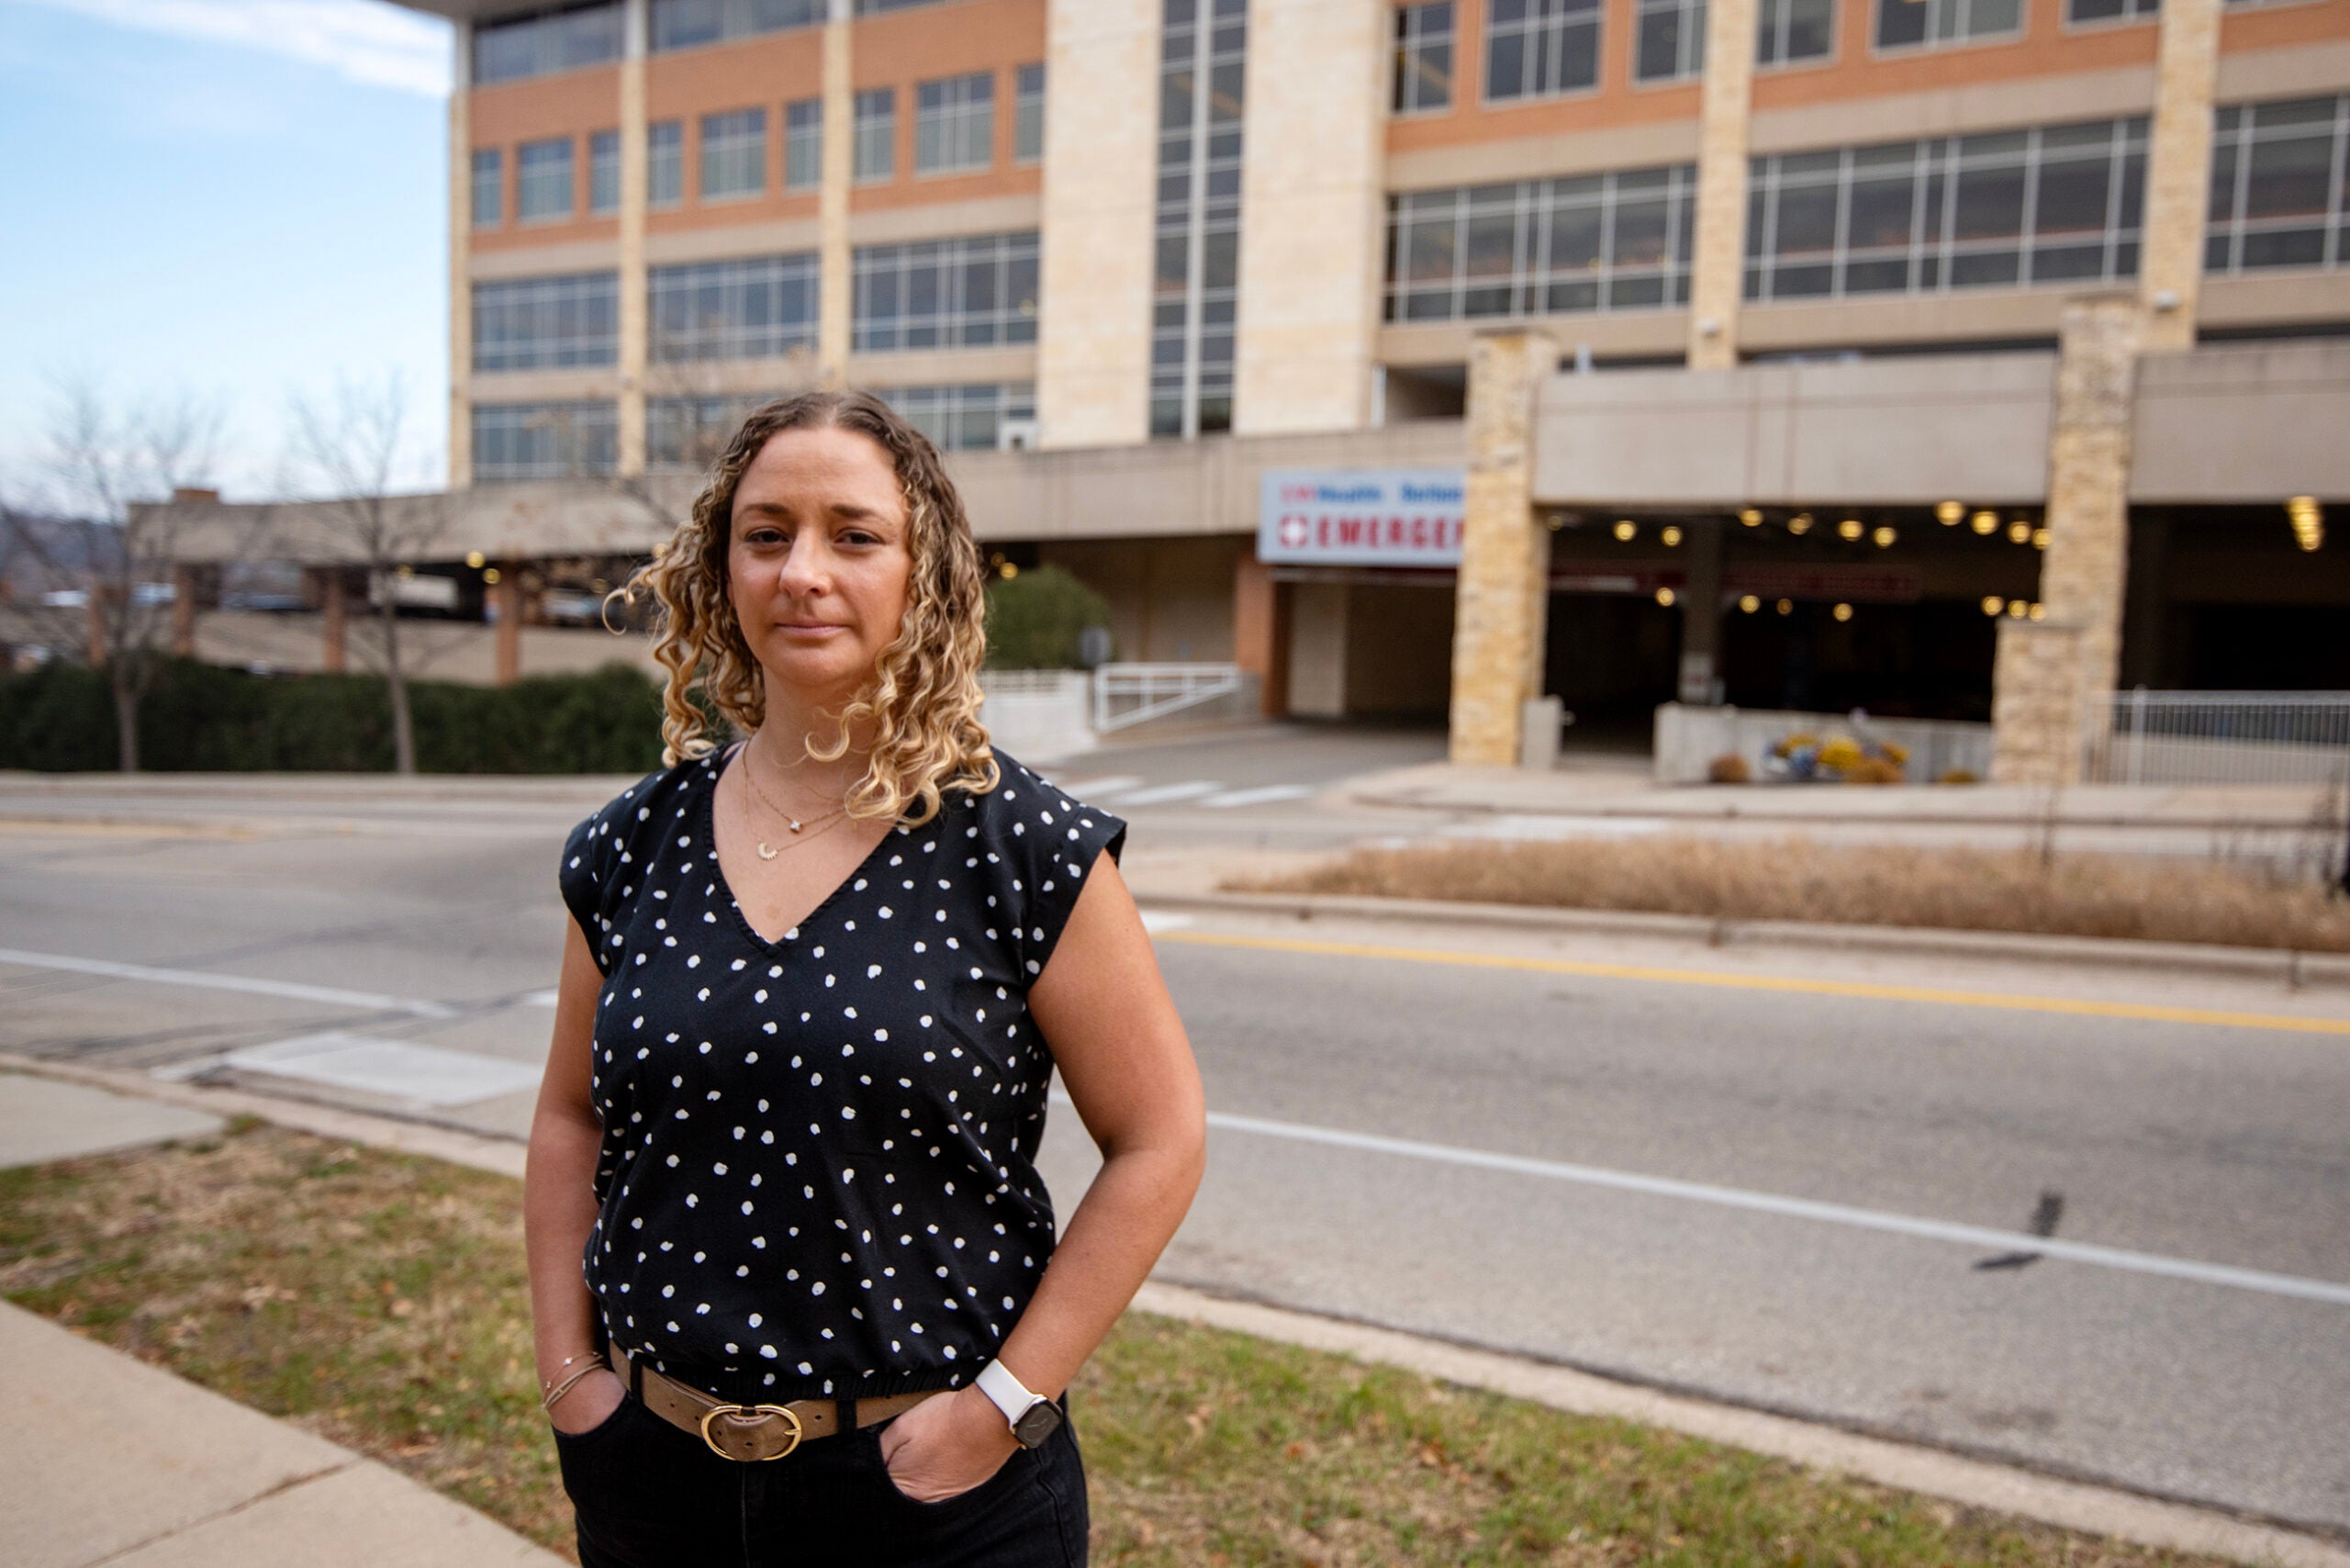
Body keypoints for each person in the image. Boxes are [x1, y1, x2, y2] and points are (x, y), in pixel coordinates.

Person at [523, 389, 1207, 1567]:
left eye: (853, 534)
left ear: (921, 572)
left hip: (930, 1497)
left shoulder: (1023, 846)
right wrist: (570, 1378)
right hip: (654, 1482)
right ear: (720, 569)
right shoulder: (632, 842)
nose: (803, 571)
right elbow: (570, 1116)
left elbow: (1161, 1138)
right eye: (765, 532)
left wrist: (998, 1408)